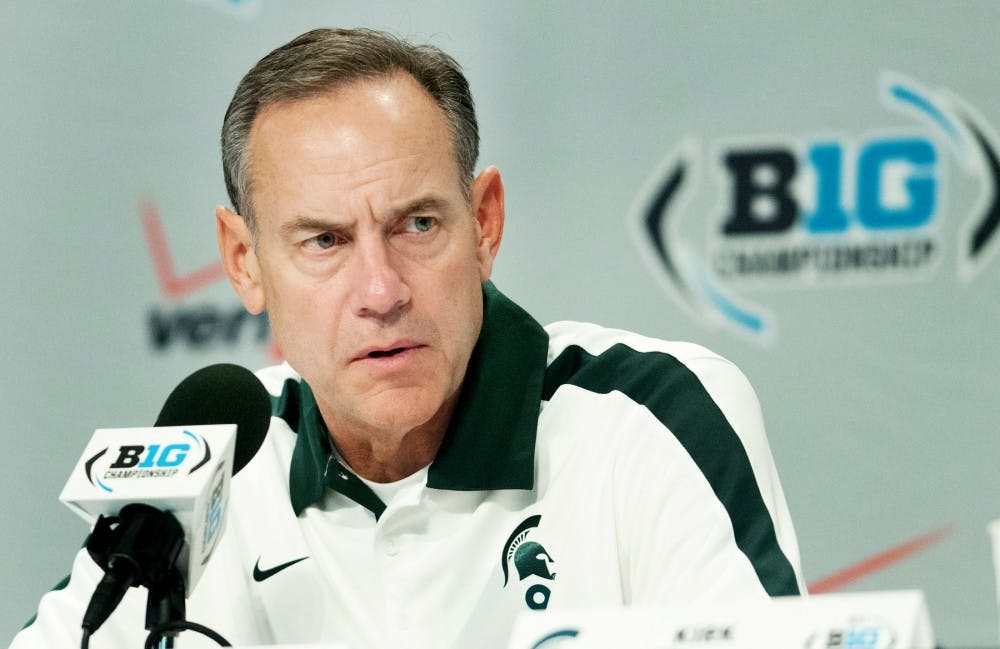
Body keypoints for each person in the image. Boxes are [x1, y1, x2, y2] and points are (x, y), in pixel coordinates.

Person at [12, 27, 804, 649]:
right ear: (244, 263)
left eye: (417, 224)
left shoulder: (652, 420)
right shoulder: (209, 464)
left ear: (484, 221)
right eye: (323, 241)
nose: (381, 291)